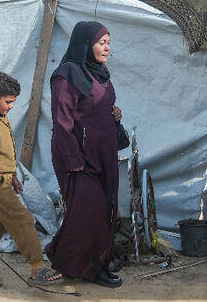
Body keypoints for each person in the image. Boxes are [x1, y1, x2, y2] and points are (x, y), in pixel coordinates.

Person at [44, 21, 126, 288]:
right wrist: (73, 159)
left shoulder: (101, 74)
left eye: (109, 43)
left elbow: (98, 106)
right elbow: (62, 121)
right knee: (88, 212)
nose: (107, 48)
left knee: (104, 212)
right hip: (79, 158)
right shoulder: (66, 75)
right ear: (85, 43)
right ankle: (81, 265)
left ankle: (92, 263)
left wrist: (113, 113)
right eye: (101, 42)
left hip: (103, 155)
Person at [0, 73, 64, 288]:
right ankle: (37, 268)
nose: (11, 106)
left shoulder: (0, 119)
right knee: (24, 220)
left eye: (13, 102)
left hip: (3, 181)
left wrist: (13, 177)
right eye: (8, 102)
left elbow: (2, 156)